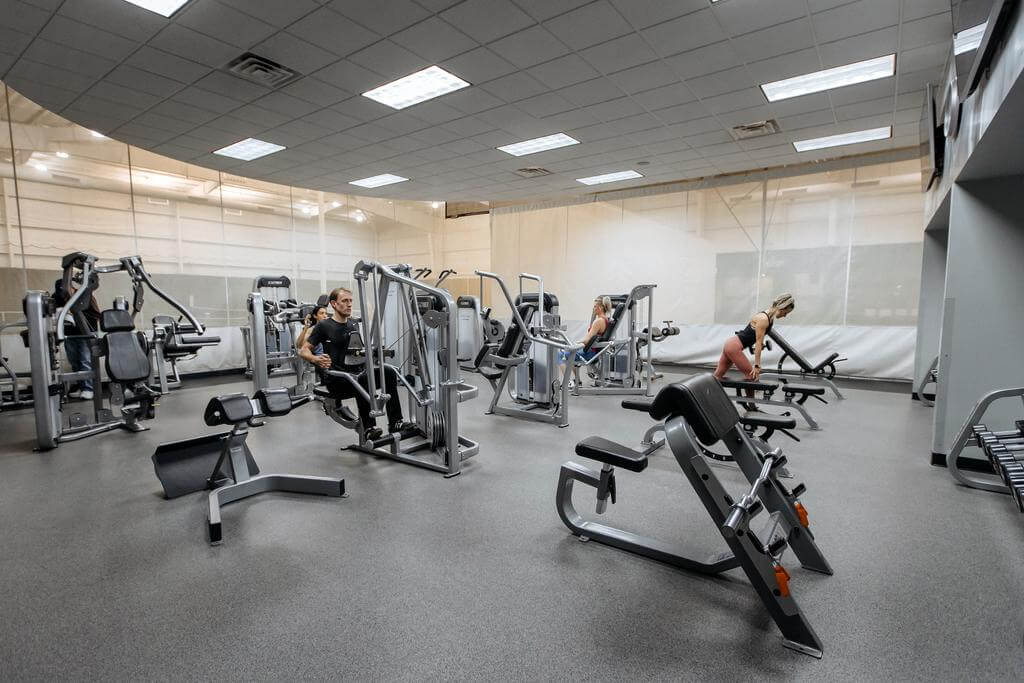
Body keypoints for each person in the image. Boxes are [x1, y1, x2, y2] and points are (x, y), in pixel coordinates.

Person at [298, 287, 405, 441]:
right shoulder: (324, 326)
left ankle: (396, 422)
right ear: (334, 304)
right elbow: (303, 350)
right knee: (360, 379)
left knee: (388, 371)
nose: (349, 305)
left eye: (350, 301)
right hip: (338, 380)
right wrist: (316, 359)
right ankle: (369, 428)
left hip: (356, 375)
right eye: (344, 301)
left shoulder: (353, 323)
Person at [714, 293, 795, 382]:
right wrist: (757, 366)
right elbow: (758, 343)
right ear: (781, 307)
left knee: (717, 376)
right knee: (752, 377)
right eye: (786, 313)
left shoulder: (770, 318)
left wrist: (759, 345)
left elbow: (752, 337)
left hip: (731, 345)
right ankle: (749, 397)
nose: (785, 315)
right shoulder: (764, 319)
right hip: (733, 347)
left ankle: (709, 394)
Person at [53, 276, 100, 401]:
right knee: (74, 362)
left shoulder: (83, 296)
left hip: (85, 333)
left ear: (71, 288)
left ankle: (88, 389)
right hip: (70, 334)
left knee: (85, 360)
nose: (63, 297)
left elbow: (94, 315)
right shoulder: (57, 297)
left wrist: (73, 314)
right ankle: (82, 386)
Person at [558, 296, 613, 374]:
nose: (593, 309)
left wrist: (574, 343)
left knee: (560, 355)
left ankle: (568, 382)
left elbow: (586, 340)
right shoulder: (605, 319)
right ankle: (577, 381)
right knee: (571, 351)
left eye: (595, 307)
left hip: (590, 353)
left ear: (600, 308)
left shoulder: (598, 321)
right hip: (594, 352)